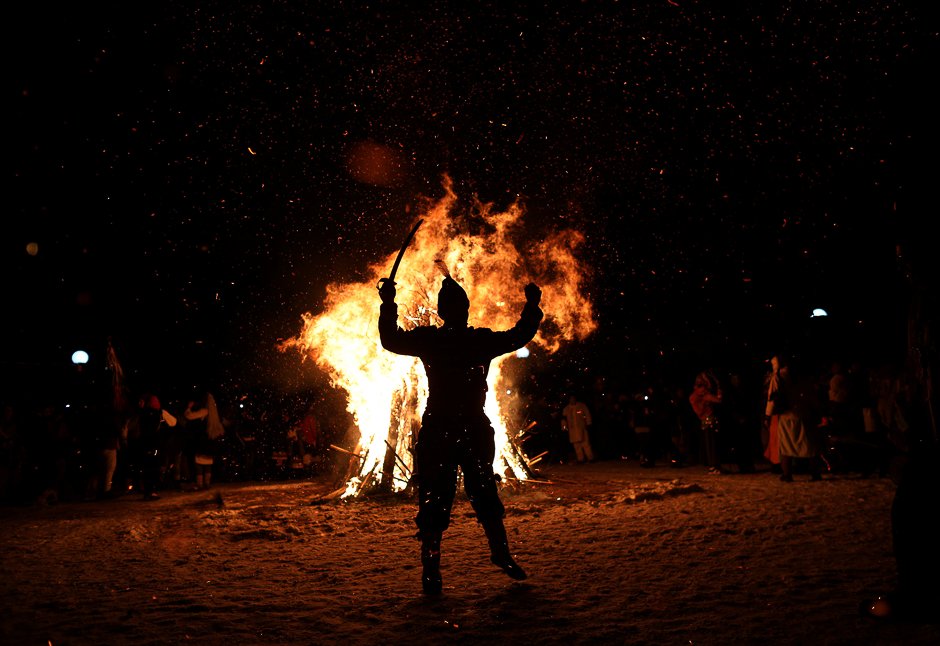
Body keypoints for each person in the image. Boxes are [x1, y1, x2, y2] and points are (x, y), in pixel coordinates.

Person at [378, 274, 542, 595]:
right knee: (447, 497)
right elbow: (520, 335)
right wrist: (532, 308)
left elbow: (391, 340)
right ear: (450, 311)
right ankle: (442, 567)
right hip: (453, 428)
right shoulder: (470, 340)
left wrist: (388, 304)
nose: (458, 312)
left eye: (460, 306)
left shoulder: (441, 340)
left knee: (459, 495)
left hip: (456, 428)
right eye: (455, 307)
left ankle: (482, 557)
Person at [136, 394, 178, 500]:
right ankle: (152, 491)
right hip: (154, 443)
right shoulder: (160, 413)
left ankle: (148, 491)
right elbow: (174, 422)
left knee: (147, 468)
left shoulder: (142, 413)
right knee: (153, 467)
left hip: (144, 443)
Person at [184, 391, 224, 491]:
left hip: (203, 440)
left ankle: (200, 484)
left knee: (199, 463)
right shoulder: (215, 413)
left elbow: (189, 416)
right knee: (208, 463)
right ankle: (207, 483)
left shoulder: (204, 411)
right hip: (211, 441)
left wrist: (188, 408)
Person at [689, 369, 724, 474]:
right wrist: (718, 387)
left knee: (709, 444)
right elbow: (719, 400)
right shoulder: (704, 395)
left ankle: (712, 466)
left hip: (704, 420)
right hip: (710, 419)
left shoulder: (693, 396)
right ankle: (715, 466)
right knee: (713, 443)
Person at [562, 394, 595, 463]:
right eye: (571, 399)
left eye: (573, 398)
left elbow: (587, 414)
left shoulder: (582, 406)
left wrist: (588, 423)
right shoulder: (566, 409)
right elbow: (563, 419)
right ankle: (581, 459)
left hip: (582, 428)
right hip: (572, 430)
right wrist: (564, 427)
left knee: (585, 443)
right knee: (576, 445)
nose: (572, 400)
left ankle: (590, 457)